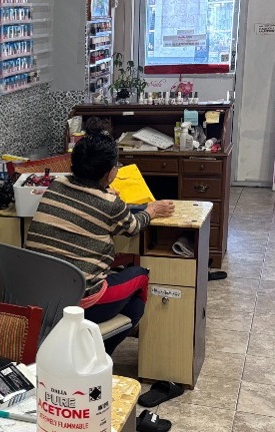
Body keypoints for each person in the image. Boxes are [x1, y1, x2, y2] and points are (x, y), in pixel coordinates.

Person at [25, 118, 175, 354]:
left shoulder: (56, 186)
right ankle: (96, 355)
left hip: (42, 297)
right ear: (110, 172)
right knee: (140, 278)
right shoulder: (110, 203)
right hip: (79, 304)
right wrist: (152, 210)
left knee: (112, 276)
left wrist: (103, 190)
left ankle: (83, 347)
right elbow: (134, 226)